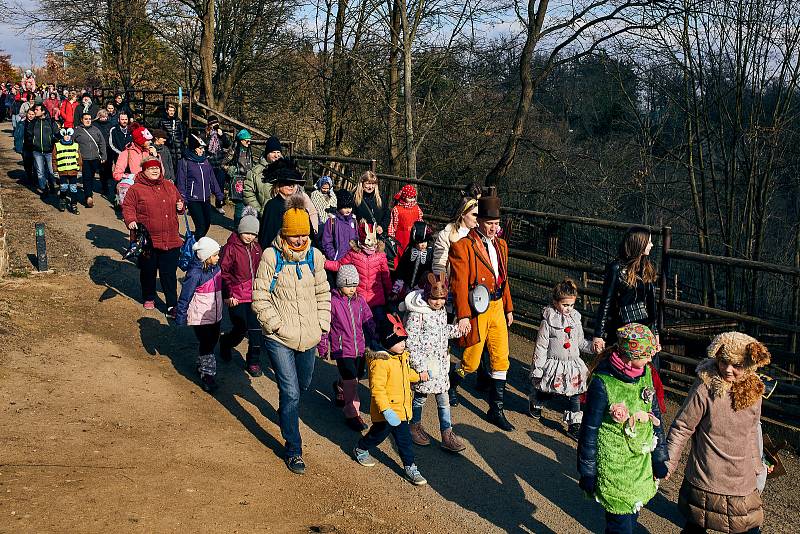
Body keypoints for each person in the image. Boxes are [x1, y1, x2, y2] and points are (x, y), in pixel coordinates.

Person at [251, 195, 331, 474]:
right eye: (293, 235)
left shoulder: (315, 257)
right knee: (291, 391)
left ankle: (285, 413)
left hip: (309, 335)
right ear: (284, 233)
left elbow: (324, 293)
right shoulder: (271, 256)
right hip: (279, 337)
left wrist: (322, 325)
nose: (298, 240)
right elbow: (259, 296)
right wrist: (274, 325)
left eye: (302, 235)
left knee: (303, 386)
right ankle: (294, 449)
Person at [666, 332, 770, 534]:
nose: (728, 370)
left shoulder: (755, 392)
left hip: (741, 478)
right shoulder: (705, 388)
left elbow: (751, 430)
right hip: (708, 475)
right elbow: (683, 427)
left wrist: (759, 465)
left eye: (737, 365)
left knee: (748, 527)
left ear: (749, 365)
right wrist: (668, 462)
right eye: (723, 362)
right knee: (697, 524)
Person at [577, 324, 668, 534]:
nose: (650, 360)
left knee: (632, 515)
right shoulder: (603, 383)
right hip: (614, 465)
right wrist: (588, 471)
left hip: (638, 464)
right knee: (621, 524)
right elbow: (589, 429)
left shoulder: (645, 374)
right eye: (646, 355)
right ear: (629, 355)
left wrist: (659, 458)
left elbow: (656, 417)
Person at [447, 194, 515, 430]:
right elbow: (459, 284)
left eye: (497, 224)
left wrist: (508, 307)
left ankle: (496, 410)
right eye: (490, 224)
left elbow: (503, 280)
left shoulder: (502, 246)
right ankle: (451, 384)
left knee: (501, 358)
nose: (494, 228)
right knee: (472, 362)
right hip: (477, 309)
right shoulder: (462, 247)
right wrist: (463, 315)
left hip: (497, 307)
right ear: (479, 222)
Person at [352, 313, 428, 486]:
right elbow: (377, 390)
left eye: (403, 340)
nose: (403, 344)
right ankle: (361, 447)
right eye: (398, 341)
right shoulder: (380, 362)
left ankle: (410, 466)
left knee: (405, 441)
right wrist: (386, 410)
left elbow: (405, 375)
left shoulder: (401, 358)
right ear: (387, 342)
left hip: (401, 411)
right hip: (387, 412)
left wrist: (418, 376)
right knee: (377, 435)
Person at [405, 273, 467, 452]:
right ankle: (414, 426)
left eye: (442, 299)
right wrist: (419, 367)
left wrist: (458, 330)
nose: (438, 303)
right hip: (425, 366)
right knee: (420, 398)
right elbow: (411, 342)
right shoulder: (417, 314)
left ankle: (446, 433)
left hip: (440, 365)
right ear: (427, 295)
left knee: (444, 399)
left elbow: (442, 331)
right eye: (434, 299)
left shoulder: (440, 312)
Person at [121, 157, 185, 315]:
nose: (155, 171)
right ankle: (149, 296)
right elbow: (128, 206)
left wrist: (180, 206)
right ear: (144, 170)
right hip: (147, 240)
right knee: (148, 271)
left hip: (171, 238)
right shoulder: (136, 189)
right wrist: (130, 220)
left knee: (168, 274)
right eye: (151, 168)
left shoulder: (169, 185)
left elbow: (180, 203)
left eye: (157, 168)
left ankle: (172, 305)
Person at [529, 279, 590, 439]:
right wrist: (538, 369)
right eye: (565, 305)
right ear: (555, 302)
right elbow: (541, 347)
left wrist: (592, 347)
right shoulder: (548, 321)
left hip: (572, 364)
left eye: (571, 305)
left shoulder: (576, 320)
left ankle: (574, 425)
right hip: (554, 364)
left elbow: (581, 342)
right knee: (549, 390)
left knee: (575, 394)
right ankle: (537, 401)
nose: (569, 309)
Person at [319, 264, 377, 431]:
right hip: (342, 349)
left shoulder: (360, 301)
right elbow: (325, 326)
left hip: (359, 347)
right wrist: (323, 346)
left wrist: (375, 336)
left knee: (356, 376)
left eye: (354, 285)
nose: (351, 289)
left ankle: (339, 386)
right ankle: (352, 414)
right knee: (351, 381)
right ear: (339, 284)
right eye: (347, 285)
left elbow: (368, 320)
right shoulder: (333, 302)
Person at [593, 226, 660, 354]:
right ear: (639, 243)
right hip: (623, 328)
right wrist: (599, 334)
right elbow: (605, 303)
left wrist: (655, 333)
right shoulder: (616, 269)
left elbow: (652, 304)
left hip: (645, 329)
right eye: (649, 241)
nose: (652, 245)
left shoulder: (647, 268)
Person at [219, 209, 264, 377]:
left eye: (253, 234)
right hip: (236, 296)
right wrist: (228, 294)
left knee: (256, 329)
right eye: (246, 232)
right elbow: (224, 273)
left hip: (254, 295)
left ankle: (253, 360)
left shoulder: (257, 248)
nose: (249, 236)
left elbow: (262, 269)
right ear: (239, 230)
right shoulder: (231, 248)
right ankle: (226, 342)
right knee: (240, 327)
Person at [175, 237, 224, 393]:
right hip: (200, 317)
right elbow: (185, 295)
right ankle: (208, 374)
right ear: (206, 256)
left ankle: (202, 362)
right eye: (215, 255)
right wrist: (181, 315)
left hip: (216, 315)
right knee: (208, 343)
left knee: (213, 339)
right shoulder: (195, 274)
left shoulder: (216, 269)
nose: (218, 257)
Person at [324, 221, 392, 318]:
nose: (371, 245)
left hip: (377, 299)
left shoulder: (380, 255)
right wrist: (324, 263)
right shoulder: (353, 254)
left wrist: (390, 292)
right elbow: (339, 265)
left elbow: (386, 276)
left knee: (378, 326)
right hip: (359, 299)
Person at [256, 158, 315, 249]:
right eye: (287, 183)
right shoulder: (272, 206)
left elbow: (310, 235)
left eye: (294, 183)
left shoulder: (300, 206)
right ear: (278, 185)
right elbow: (266, 236)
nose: (291, 186)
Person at [176, 134, 223, 239]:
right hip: (193, 199)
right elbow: (181, 182)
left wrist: (219, 195)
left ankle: (193, 240)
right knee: (201, 226)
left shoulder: (205, 161)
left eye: (203, 148)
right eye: (200, 148)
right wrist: (183, 199)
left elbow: (212, 179)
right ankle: (194, 248)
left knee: (207, 225)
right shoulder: (184, 162)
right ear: (194, 148)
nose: (202, 150)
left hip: (205, 198)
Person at [432, 196, 479, 275]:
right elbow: (439, 264)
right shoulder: (445, 235)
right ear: (463, 214)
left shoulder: (479, 235)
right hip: (453, 282)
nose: (477, 218)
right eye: (474, 215)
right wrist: (443, 283)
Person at [72, 112, 107, 208]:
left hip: (95, 158)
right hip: (84, 159)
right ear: (81, 120)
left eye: (89, 119)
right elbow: (71, 142)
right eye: (86, 119)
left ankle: (89, 192)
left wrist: (103, 156)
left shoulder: (96, 130)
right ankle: (88, 196)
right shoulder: (77, 131)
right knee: (86, 177)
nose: (88, 120)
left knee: (91, 177)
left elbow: (102, 143)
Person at [243, 135, 283, 216]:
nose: (276, 155)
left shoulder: (288, 170)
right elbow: (248, 194)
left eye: (278, 152)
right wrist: (261, 211)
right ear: (267, 153)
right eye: (273, 152)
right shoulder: (255, 173)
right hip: (264, 217)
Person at [392, 221, 433, 299]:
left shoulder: (430, 252)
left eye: (425, 242)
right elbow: (402, 266)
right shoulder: (409, 250)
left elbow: (431, 269)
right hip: (407, 284)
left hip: (421, 287)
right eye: (419, 243)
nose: (422, 244)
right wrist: (398, 283)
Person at [388, 184, 423, 266]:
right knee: (400, 256)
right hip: (401, 237)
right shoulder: (397, 209)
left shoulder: (416, 208)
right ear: (404, 197)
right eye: (409, 197)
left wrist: (421, 234)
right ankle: (399, 276)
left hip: (414, 237)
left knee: (413, 255)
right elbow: (393, 224)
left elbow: (420, 221)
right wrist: (392, 237)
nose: (412, 200)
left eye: (413, 197)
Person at [27, 104, 58, 198]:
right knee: (40, 171)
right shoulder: (33, 122)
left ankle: (52, 185)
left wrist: (52, 142)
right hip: (37, 151)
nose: (35, 111)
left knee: (51, 171)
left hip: (49, 151)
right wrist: (33, 142)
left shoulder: (51, 122)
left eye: (37, 110)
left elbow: (56, 134)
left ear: (43, 111)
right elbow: (29, 134)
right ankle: (44, 189)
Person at [321, 189, 358, 261]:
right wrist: (333, 256)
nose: (348, 210)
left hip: (353, 259)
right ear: (339, 207)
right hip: (338, 259)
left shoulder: (353, 221)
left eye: (350, 207)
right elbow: (327, 242)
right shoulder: (332, 221)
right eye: (344, 207)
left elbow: (356, 238)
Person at [51, 128, 82, 213]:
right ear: (62, 135)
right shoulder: (57, 145)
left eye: (69, 135)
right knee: (63, 187)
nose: (67, 137)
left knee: (73, 188)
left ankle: (74, 205)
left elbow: (79, 158)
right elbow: (54, 159)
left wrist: (80, 170)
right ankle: (62, 201)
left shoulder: (75, 145)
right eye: (65, 135)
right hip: (62, 171)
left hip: (73, 170)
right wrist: (55, 171)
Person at [205, 116, 231, 213]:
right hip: (209, 163)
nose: (215, 125)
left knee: (220, 185)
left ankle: (219, 205)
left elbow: (228, 144)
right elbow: (203, 145)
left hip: (220, 163)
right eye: (213, 123)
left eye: (216, 123)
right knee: (207, 185)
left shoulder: (221, 134)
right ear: (209, 125)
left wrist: (222, 135)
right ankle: (205, 203)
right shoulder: (206, 134)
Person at [228, 129, 253, 227]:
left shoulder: (249, 150)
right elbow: (223, 164)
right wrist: (234, 170)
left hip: (248, 181)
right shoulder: (234, 150)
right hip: (238, 181)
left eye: (250, 140)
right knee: (239, 205)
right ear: (241, 141)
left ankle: (244, 225)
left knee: (248, 203)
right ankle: (237, 226)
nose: (249, 143)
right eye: (247, 141)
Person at [353, 171, 390, 235]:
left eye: (373, 184)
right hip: (361, 235)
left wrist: (382, 226)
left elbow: (387, 215)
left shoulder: (380, 198)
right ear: (362, 183)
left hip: (377, 235)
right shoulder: (354, 198)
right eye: (368, 183)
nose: (370, 187)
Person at [94, 110, 115, 195]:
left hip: (109, 148)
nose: (104, 118)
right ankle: (104, 186)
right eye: (102, 117)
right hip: (100, 148)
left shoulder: (110, 124)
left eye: (105, 116)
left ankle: (108, 183)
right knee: (102, 168)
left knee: (108, 166)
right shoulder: (95, 125)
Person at [159, 103, 186, 167]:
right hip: (168, 144)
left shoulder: (178, 120)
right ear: (167, 111)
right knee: (170, 161)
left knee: (179, 162)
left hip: (178, 144)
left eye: (173, 111)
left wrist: (181, 141)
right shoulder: (162, 121)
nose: (172, 112)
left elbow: (182, 131)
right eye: (170, 110)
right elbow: (161, 133)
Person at [13, 108, 36, 184]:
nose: (31, 116)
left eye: (33, 114)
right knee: (27, 164)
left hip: (34, 146)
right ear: (26, 114)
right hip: (25, 146)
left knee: (35, 163)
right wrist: (17, 145)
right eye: (29, 114)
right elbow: (16, 135)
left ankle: (36, 178)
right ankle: (29, 177)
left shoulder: (37, 123)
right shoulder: (21, 123)